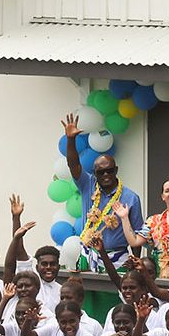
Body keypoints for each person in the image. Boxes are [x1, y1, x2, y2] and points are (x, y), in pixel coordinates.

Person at [60, 112, 143, 266]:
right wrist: (71, 140)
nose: (105, 175)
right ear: (94, 173)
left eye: (109, 170)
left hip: (117, 258)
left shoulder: (131, 198)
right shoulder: (88, 184)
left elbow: (136, 234)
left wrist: (136, 261)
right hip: (88, 253)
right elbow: (73, 165)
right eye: (100, 172)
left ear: (116, 170)